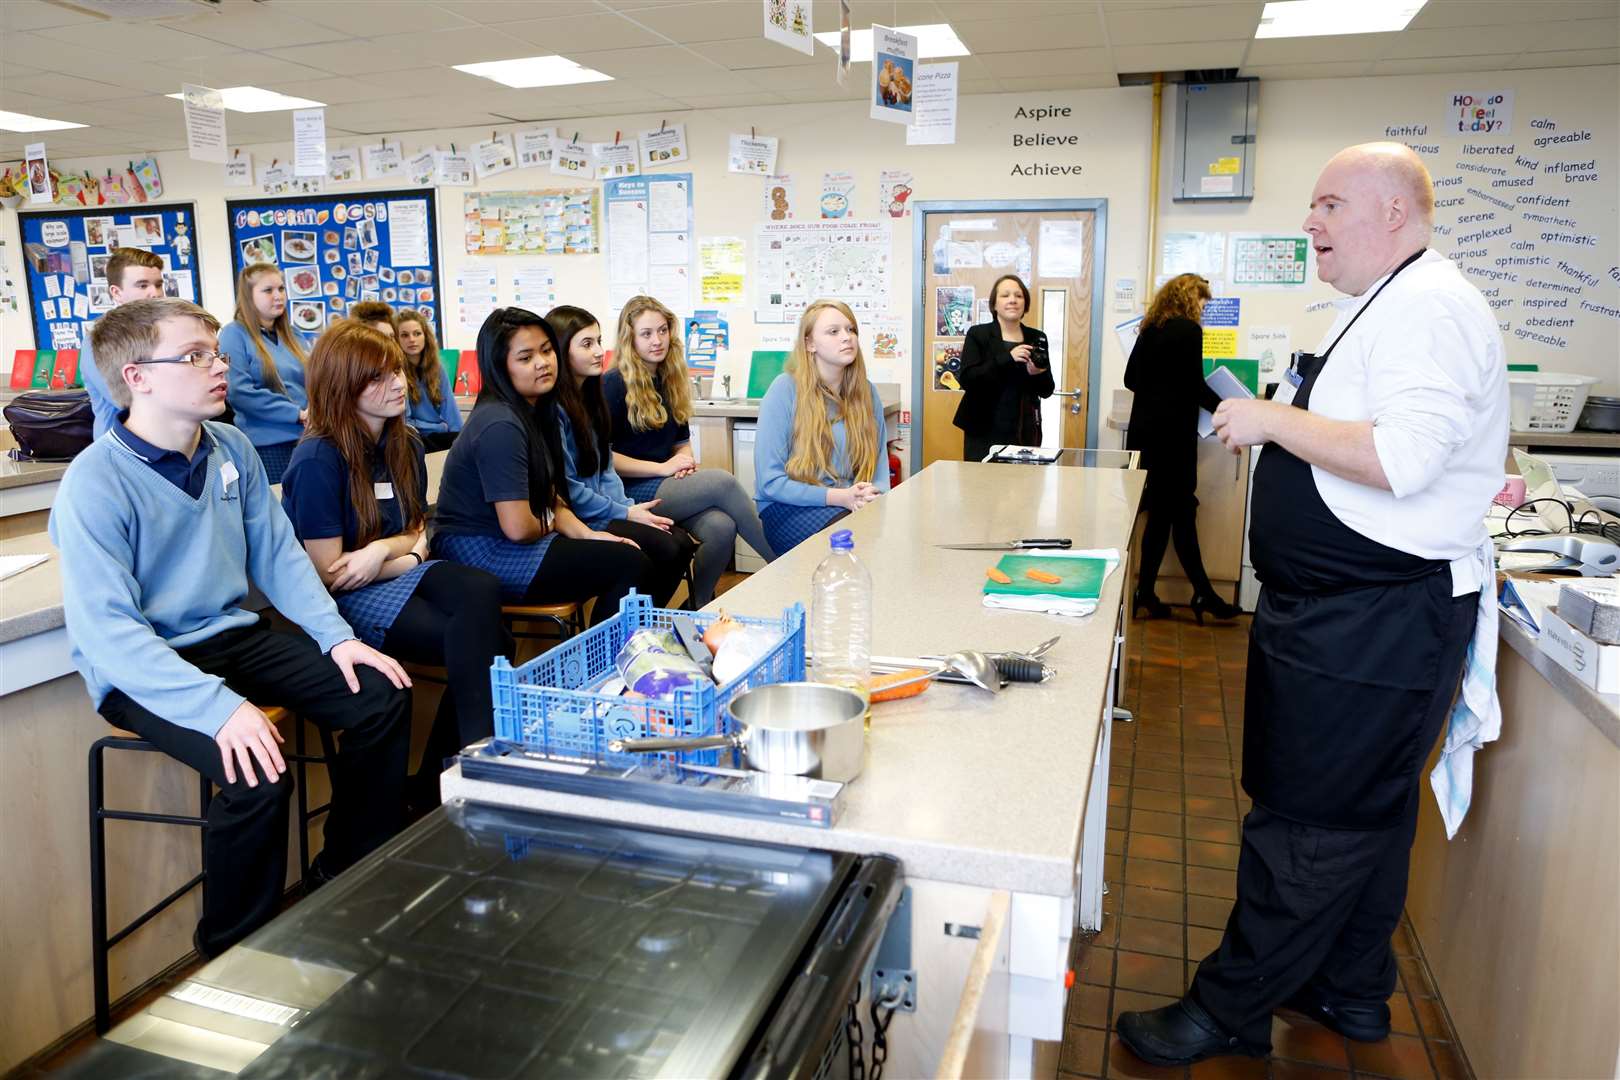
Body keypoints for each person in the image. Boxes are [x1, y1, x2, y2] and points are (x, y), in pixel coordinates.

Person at [1116, 143, 1508, 1067]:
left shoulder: (1431, 307)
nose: (1311, 223)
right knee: (1366, 814)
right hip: (1350, 613)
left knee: (1305, 823)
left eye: (1330, 205)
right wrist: (1286, 418)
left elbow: (1405, 458)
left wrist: (1269, 420)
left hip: (1375, 621)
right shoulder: (1384, 303)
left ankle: (1228, 1009)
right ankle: (1352, 989)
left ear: (1394, 215)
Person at [49, 298, 413, 957]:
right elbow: (110, 635)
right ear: (138, 378)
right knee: (258, 773)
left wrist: (338, 639)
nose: (218, 366)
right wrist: (218, 711)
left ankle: (346, 875)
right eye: (195, 356)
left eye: (215, 352)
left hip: (231, 639)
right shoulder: (93, 482)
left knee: (380, 696)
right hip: (146, 666)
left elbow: (280, 557)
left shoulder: (232, 448)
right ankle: (232, 953)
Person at [280, 321, 511, 813]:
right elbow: (332, 572)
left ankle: (457, 774)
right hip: (345, 601)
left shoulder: (403, 442)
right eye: (379, 378)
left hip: (397, 570)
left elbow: (415, 529)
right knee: (490, 640)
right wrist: (401, 552)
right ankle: (471, 772)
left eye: (397, 372)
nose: (399, 383)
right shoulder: (318, 458)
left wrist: (389, 553)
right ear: (344, 387)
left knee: (482, 596)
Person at [430, 307, 649, 626]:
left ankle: (602, 662)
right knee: (630, 564)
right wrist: (552, 520)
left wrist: (588, 535)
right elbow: (519, 528)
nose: (542, 362)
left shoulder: (535, 411)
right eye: (525, 357)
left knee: (629, 555)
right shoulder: (500, 423)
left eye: (546, 350)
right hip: (481, 551)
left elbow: (551, 498)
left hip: (513, 539)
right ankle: (598, 667)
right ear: (500, 366)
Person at [604, 294, 776, 607]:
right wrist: (662, 468)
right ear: (630, 339)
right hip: (628, 492)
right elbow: (604, 459)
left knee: (721, 526)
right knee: (722, 482)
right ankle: (783, 565)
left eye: (662, 330)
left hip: (664, 483)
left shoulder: (668, 378)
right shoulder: (613, 384)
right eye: (646, 334)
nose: (657, 340)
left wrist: (685, 463)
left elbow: (680, 442)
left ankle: (697, 607)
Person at [548, 304, 698, 608]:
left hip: (607, 506)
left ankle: (642, 626)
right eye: (587, 344)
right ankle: (615, 639)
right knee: (662, 550)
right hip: (580, 517)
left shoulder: (591, 399)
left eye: (599, 341)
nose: (599, 352)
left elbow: (605, 470)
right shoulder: (556, 409)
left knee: (680, 543)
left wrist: (627, 508)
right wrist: (627, 513)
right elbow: (567, 488)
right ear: (563, 352)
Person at [1124, 273, 1241, 623]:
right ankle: (1203, 594)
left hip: (1145, 438)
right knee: (1180, 511)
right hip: (1173, 439)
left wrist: (1161, 387)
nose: (1204, 308)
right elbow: (1193, 386)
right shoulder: (1189, 331)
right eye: (1202, 301)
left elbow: (1131, 379)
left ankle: (1148, 592)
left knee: (1164, 515)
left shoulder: (1150, 327)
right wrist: (1230, 408)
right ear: (1191, 299)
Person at [755, 300, 889, 554]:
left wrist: (872, 497)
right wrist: (841, 497)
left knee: (888, 537)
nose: (847, 338)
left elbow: (879, 470)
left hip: (848, 502)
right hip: (789, 509)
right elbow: (769, 484)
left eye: (851, 330)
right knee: (855, 542)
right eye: (834, 331)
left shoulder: (867, 393)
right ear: (809, 344)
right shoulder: (784, 389)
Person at [218, 262, 309, 482]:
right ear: (249, 296)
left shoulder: (293, 334)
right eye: (268, 291)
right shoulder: (234, 334)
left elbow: (314, 381)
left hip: (307, 438)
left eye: (281, 289)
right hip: (267, 447)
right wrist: (297, 414)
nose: (278, 296)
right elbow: (239, 392)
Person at [952, 274, 1054, 461]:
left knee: (1022, 486)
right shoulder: (978, 334)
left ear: (1025, 303)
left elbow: (1047, 390)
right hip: (983, 428)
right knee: (981, 486)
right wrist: (1008, 358)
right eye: (1005, 295)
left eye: (1019, 296)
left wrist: (1037, 374)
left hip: (1023, 428)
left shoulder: (1037, 337)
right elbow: (968, 379)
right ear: (994, 304)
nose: (1012, 300)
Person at [79, 247, 164, 438]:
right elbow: (125, 401)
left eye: (158, 284)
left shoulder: (163, 333)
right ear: (116, 293)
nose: (155, 293)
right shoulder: (97, 339)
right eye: (142, 286)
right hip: (119, 451)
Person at [396, 309, 462, 451]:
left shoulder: (437, 368)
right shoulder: (397, 372)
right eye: (405, 335)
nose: (412, 339)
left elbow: (451, 410)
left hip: (440, 437)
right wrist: (438, 426)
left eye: (417, 333)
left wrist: (461, 437)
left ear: (425, 336)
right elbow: (404, 423)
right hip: (414, 439)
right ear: (397, 339)